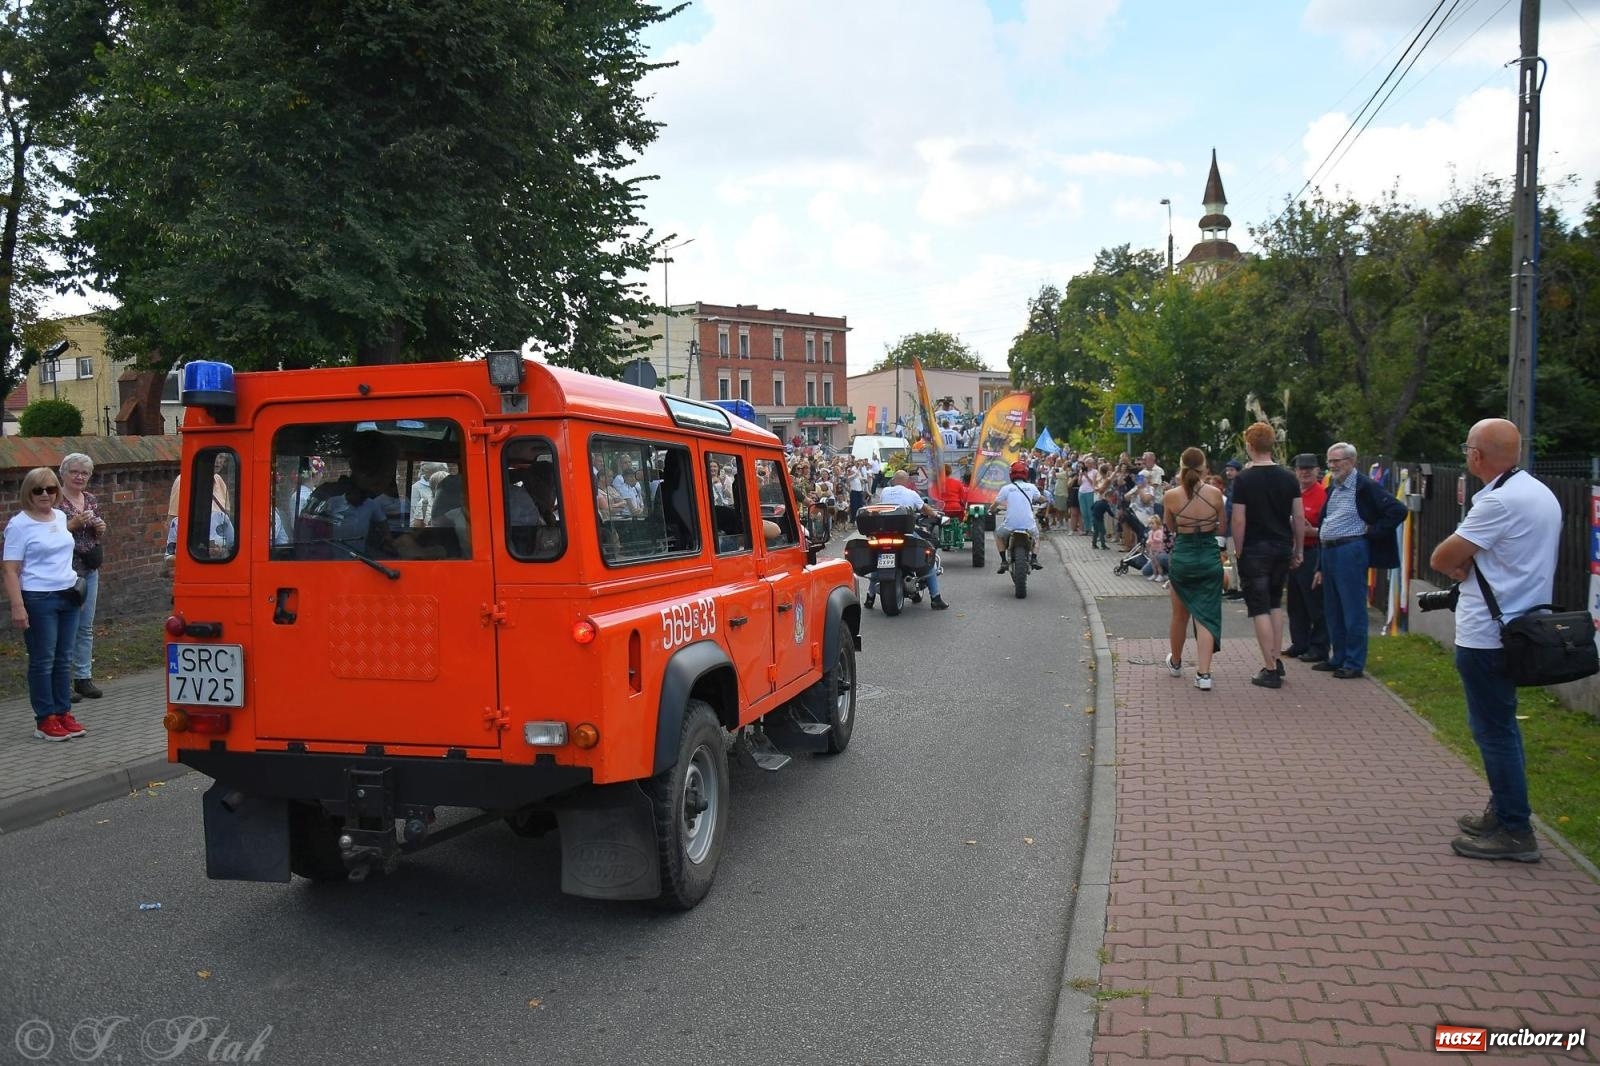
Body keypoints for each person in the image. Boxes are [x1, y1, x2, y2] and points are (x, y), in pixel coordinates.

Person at [1429, 418, 1560, 863]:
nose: (1466, 455)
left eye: (1468, 448)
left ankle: (1515, 828)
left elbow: (1442, 556)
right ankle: (1503, 812)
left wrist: (1461, 563)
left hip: (1488, 632)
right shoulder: (1538, 493)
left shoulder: (1499, 502)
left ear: (1477, 455)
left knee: (1494, 732)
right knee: (1502, 726)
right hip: (1522, 626)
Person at [3, 468, 88, 740]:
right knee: (43, 659)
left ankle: (63, 712)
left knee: (64, 658)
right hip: (39, 598)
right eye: (37, 490)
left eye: (50, 489)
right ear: (28, 493)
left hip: (68, 595)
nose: (44, 495)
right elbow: (10, 569)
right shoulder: (19, 525)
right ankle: (45, 718)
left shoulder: (60, 517)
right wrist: (18, 605)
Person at [1311, 441, 1407, 679]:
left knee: (1352, 608)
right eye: (1330, 461)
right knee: (1333, 608)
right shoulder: (1333, 488)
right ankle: (1338, 657)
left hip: (1350, 550)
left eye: (1337, 461)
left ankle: (1354, 662)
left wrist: (1373, 531)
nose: (1332, 466)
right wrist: (1320, 565)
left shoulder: (1365, 486)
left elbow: (1397, 510)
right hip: (1330, 550)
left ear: (1351, 461)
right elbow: (1326, 521)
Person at [1228, 424, 1305, 689]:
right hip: (1281, 546)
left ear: (1249, 446)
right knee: (1274, 604)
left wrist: (1239, 550)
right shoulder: (1289, 477)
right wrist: (1299, 549)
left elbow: (1239, 519)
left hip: (1254, 548)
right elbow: (1298, 517)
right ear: (1272, 445)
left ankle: (1270, 668)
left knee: (1259, 607)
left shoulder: (1244, 479)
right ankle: (1277, 658)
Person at [1162, 447, 1226, 691]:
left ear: (1181, 467)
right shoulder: (1215, 494)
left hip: (1183, 558)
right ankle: (1204, 674)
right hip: (1209, 556)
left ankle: (1176, 663)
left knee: (1179, 615)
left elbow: (1170, 527)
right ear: (1204, 468)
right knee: (1205, 615)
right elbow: (1222, 528)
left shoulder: (1171, 495)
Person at [55, 453, 108, 702]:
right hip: (65, 571)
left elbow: (95, 535)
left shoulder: (90, 499)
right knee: (66, 627)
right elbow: (48, 534)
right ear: (63, 473)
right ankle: (62, 682)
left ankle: (83, 678)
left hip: (89, 569)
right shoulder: (55, 501)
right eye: (74, 471)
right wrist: (71, 525)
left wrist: (100, 528)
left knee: (85, 626)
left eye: (84, 473)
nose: (79, 477)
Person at [874, 470, 950, 610]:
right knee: (930, 557)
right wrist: (936, 515)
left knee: (879, 561)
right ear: (907, 481)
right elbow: (925, 509)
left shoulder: (885, 491)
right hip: (905, 534)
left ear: (894, 480)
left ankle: (869, 597)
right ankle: (936, 598)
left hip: (884, 533)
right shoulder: (912, 494)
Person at [1284, 454, 1329, 663]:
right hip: (1292, 551)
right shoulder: (1292, 493)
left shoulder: (1322, 495)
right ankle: (1299, 642)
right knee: (1295, 601)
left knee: (1314, 601)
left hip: (1312, 551)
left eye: (1309, 469)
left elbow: (1330, 527)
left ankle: (1319, 646)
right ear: (1295, 471)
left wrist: (1314, 532)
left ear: (1317, 470)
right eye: (1301, 469)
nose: (1305, 472)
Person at [992, 460, 1044, 575]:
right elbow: (1041, 498)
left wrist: (991, 510)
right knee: (1036, 537)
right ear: (1026, 473)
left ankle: (1003, 561)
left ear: (1011, 474)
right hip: (1028, 525)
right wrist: (1045, 499)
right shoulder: (1031, 487)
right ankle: (1034, 558)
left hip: (1010, 525)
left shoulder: (1006, 488)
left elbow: (996, 503)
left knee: (998, 535)